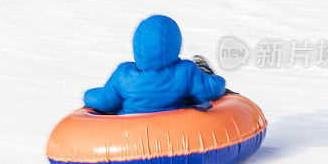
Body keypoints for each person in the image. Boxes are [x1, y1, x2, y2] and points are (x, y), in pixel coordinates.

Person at [83, 15, 226, 115]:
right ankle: (205, 71)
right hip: (175, 133)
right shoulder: (185, 71)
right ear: (176, 44)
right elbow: (209, 90)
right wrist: (218, 80)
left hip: (129, 136)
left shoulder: (124, 74)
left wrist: (88, 95)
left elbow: (105, 101)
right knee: (195, 89)